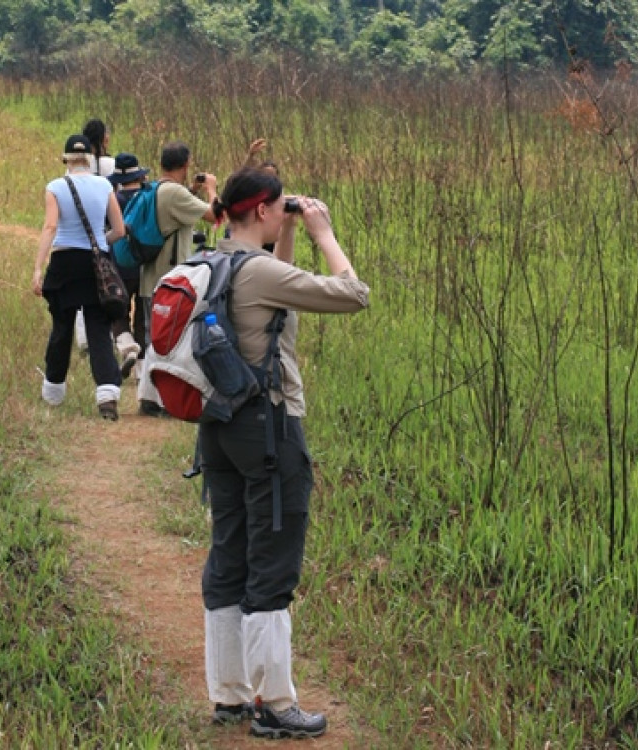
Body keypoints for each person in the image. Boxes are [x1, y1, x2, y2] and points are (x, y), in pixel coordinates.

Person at [199, 168, 369, 739]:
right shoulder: (261, 272)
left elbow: (281, 285)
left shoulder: (213, 260)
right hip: (269, 429)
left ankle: (229, 695)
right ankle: (274, 703)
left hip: (218, 427)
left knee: (230, 553)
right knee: (273, 562)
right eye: (281, 208)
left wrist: (289, 231)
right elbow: (353, 294)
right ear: (266, 209)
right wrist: (322, 231)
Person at [32, 133, 126, 420]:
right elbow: (119, 230)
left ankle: (54, 392)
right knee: (98, 328)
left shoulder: (56, 186)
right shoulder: (104, 185)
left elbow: (50, 227)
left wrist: (38, 267)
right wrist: (99, 245)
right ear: (90, 159)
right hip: (95, 264)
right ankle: (108, 394)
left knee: (62, 327)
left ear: (66, 160)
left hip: (64, 262)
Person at [136, 141, 219, 416]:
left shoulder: (158, 188)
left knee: (154, 338)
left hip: (151, 276)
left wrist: (193, 190)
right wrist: (211, 189)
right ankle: (158, 401)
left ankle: (148, 398)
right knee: (167, 342)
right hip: (168, 280)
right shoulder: (174, 194)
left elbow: (178, 210)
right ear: (185, 165)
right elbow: (216, 216)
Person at [74, 119, 117, 356]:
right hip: (106, 230)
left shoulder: (78, 165)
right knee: (106, 281)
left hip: (81, 228)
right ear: (104, 138)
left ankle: (83, 339)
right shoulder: (111, 164)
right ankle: (107, 333)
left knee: (83, 283)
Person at [107, 152, 151, 379]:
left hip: (120, 265)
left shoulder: (114, 199)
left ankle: (127, 347)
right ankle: (142, 372)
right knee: (144, 315)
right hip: (147, 265)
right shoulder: (149, 197)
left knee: (118, 311)